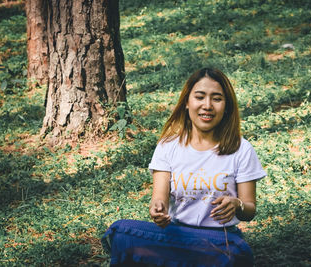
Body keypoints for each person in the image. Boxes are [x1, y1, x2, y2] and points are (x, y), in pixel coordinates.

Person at [102, 67, 267, 267]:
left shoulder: (241, 149)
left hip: (219, 241)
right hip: (176, 235)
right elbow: (159, 199)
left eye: (216, 98)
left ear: (227, 106)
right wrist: (158, 210)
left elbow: (249, 210)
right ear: (187, 103)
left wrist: (237, 204)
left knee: (236, 255)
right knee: (121, 232)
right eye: (199, 97)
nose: (207, 105)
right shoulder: (168, 146)